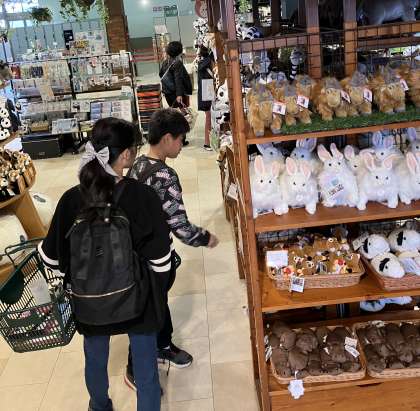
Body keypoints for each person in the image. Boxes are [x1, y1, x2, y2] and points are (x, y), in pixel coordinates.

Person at [38, 118, 172, 411]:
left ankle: (99, 406)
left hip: (90, 303)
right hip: (138, 302)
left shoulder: (71, 199)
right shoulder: (143, 197)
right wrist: (154, 291)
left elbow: (50, 259)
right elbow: (161, 262)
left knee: (95, 361)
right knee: (146, 370)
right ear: (124, 155)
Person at [125, 108, 219, 389]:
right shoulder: (165, 176)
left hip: (138, 251)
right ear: (167, 138)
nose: (182, 144)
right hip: (154, 255)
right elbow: (179, 226)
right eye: (180, 139)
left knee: (156, 302)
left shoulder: (138, 164)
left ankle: (163, 344)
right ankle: (135, 366)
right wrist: (205, 238)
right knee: (148, 310)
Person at [159, 41, 193, 146]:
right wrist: (179, 95)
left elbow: (160, 74)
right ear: (178, 51)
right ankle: (181, 139)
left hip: (168, 92)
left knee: (174, 116)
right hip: (176, 93)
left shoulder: (165, 62)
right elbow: (178, 79)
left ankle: (175, 138)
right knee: (181, 117)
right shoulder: (177, 63)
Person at [197, 46, 214, 151]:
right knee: (209, 116)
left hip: (205, 91)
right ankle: (207, 143)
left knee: (209, 116)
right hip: (207, 91)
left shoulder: (202, 63)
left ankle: (208, 142)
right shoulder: (208, 62)